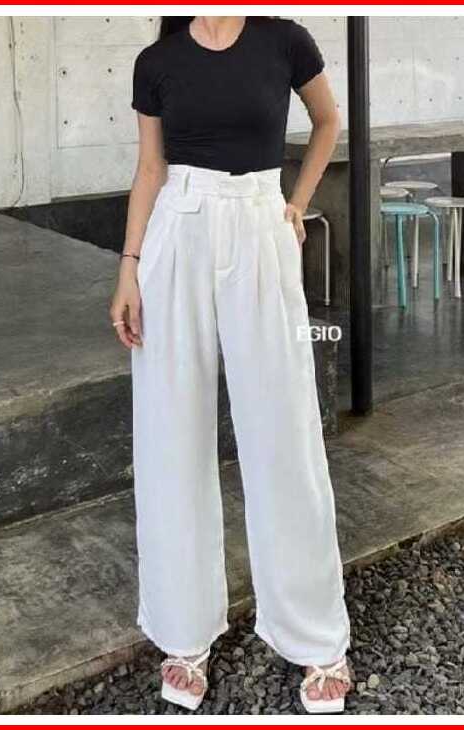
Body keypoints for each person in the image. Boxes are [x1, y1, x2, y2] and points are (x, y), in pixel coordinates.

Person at [110, 15, 352, 714]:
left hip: (260, 222)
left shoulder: (284, 41)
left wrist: (297, 204)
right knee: (171, 435)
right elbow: (150, 169)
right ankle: (182, 633)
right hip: (176, 232)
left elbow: (328, 121)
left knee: (284, 430)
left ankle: (315, 634)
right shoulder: (157, 60)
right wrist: (128, 268)